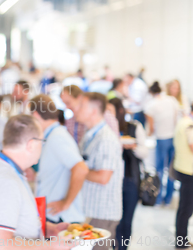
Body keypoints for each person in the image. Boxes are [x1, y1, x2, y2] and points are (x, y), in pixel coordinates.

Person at [0, 114, 73, 250]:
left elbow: (17, 220)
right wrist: (50, 246)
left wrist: (51, 230)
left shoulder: (9, 170)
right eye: (42, 142)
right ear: (31, 145)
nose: (42, 147)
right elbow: (0, 244)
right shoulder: (6, 181)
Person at [29, 94, 88, 224]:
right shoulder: (50, 136)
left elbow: (81, 169)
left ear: (36, 115)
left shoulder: (58, 136)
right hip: (51, 214)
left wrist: (65, 203)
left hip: (61, 218)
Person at [76, 92, 123, 250]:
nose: (77, 109)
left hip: (102, 214)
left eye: (82, 106)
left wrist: (78, 169)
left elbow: (103, 177)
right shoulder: (89, 135)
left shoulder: (106, 139)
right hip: (91, 210)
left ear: (93, 111)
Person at [108, 98, 148, 250]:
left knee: (126, 221)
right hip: (111, 181)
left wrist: (133, 147)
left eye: (110, 111)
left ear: (119, 111)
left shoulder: (134, 126)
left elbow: (144, 152)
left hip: (130, 179)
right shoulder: (105, 130)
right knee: (113, 220)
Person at [144, 81, 180, 206]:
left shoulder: (150, 105)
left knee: (159, 169)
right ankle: (168, 198)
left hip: (161, 138)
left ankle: (157, 198)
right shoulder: (172, 100)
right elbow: (176, 119)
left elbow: (151, 128)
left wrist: (146, 135)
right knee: (171, 170)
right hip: (173, 137)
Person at [172, 103, 193, 249]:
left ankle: (181, 238)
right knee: (186, 208)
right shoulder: (190, 125)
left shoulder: (183, 121)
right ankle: (181, 241)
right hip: (189, 170)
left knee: (183, 207)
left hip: (182, 167)